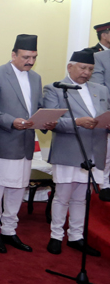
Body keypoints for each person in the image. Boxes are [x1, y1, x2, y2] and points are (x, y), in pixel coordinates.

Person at [0, 34, 56, 253]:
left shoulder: (36, 78)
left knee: (17, 190)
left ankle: (10, 230)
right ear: (13, 55)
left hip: (25, 144)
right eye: (26, 57)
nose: (30, 62)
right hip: (4, 142)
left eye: (34, 57)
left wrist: (47, 120)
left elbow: (37, 108)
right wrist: (10, 121)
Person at [43, 51, 107, 257]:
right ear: (70, 67)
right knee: (62, 196)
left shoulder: (101, 89)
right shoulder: (55, 88)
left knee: (82, 198)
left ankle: (76, 237)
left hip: (94, 150)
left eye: (90, 69)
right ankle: (55, 236)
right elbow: (51, 122)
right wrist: (76, 123)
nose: (86, 73)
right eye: (82, 68)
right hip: (68, 149)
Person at [88, 22, 110, 198]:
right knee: (106, 150)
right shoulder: (94, 54)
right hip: (105, 108)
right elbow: (98, 87)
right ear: (105, 34)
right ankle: (105, 183)